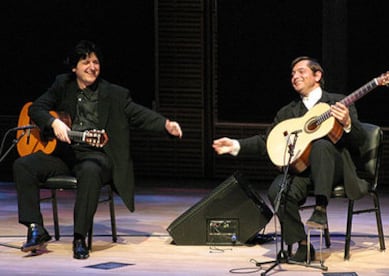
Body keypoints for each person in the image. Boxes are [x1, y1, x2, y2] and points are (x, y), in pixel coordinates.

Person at [13, 40, 183, 259]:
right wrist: (53, 123)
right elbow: (36, 108)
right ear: (74, 68)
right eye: (86, 62)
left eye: (95, 62)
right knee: (24, 165)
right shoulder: (62, 84)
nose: (92, 66)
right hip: (65, 155)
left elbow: (138, 114)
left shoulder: (114, 93)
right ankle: (36, 228)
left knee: (91, 170)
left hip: (97, 157)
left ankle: (79, 237)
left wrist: (165, 125)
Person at [212, 56, 368, 262]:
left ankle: (320, 208)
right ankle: (302, 243)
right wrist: (236, 145)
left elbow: (360, 140)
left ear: (317, 75)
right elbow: (268, 141)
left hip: (334, 170)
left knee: (321, 145)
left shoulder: (338, 102)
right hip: (303, 171)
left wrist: (347, 122)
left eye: (301, 71)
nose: (295, 76)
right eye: (292, 74)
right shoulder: (288, 112)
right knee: (277, 191)